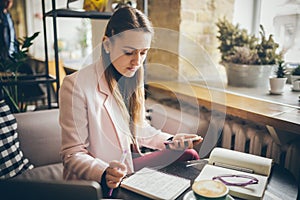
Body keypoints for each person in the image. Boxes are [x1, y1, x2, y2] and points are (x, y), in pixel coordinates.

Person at [59, 6, 203, 197]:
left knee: (188, 155)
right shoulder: (75, 85)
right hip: (100, 179)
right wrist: (104, 172)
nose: (137, 61)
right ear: (107, 44)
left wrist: (171, 141)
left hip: (126, 168)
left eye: (143, 53)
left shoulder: (131, 78)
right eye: (129, 52)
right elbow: (72, 154)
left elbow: (139, 129)